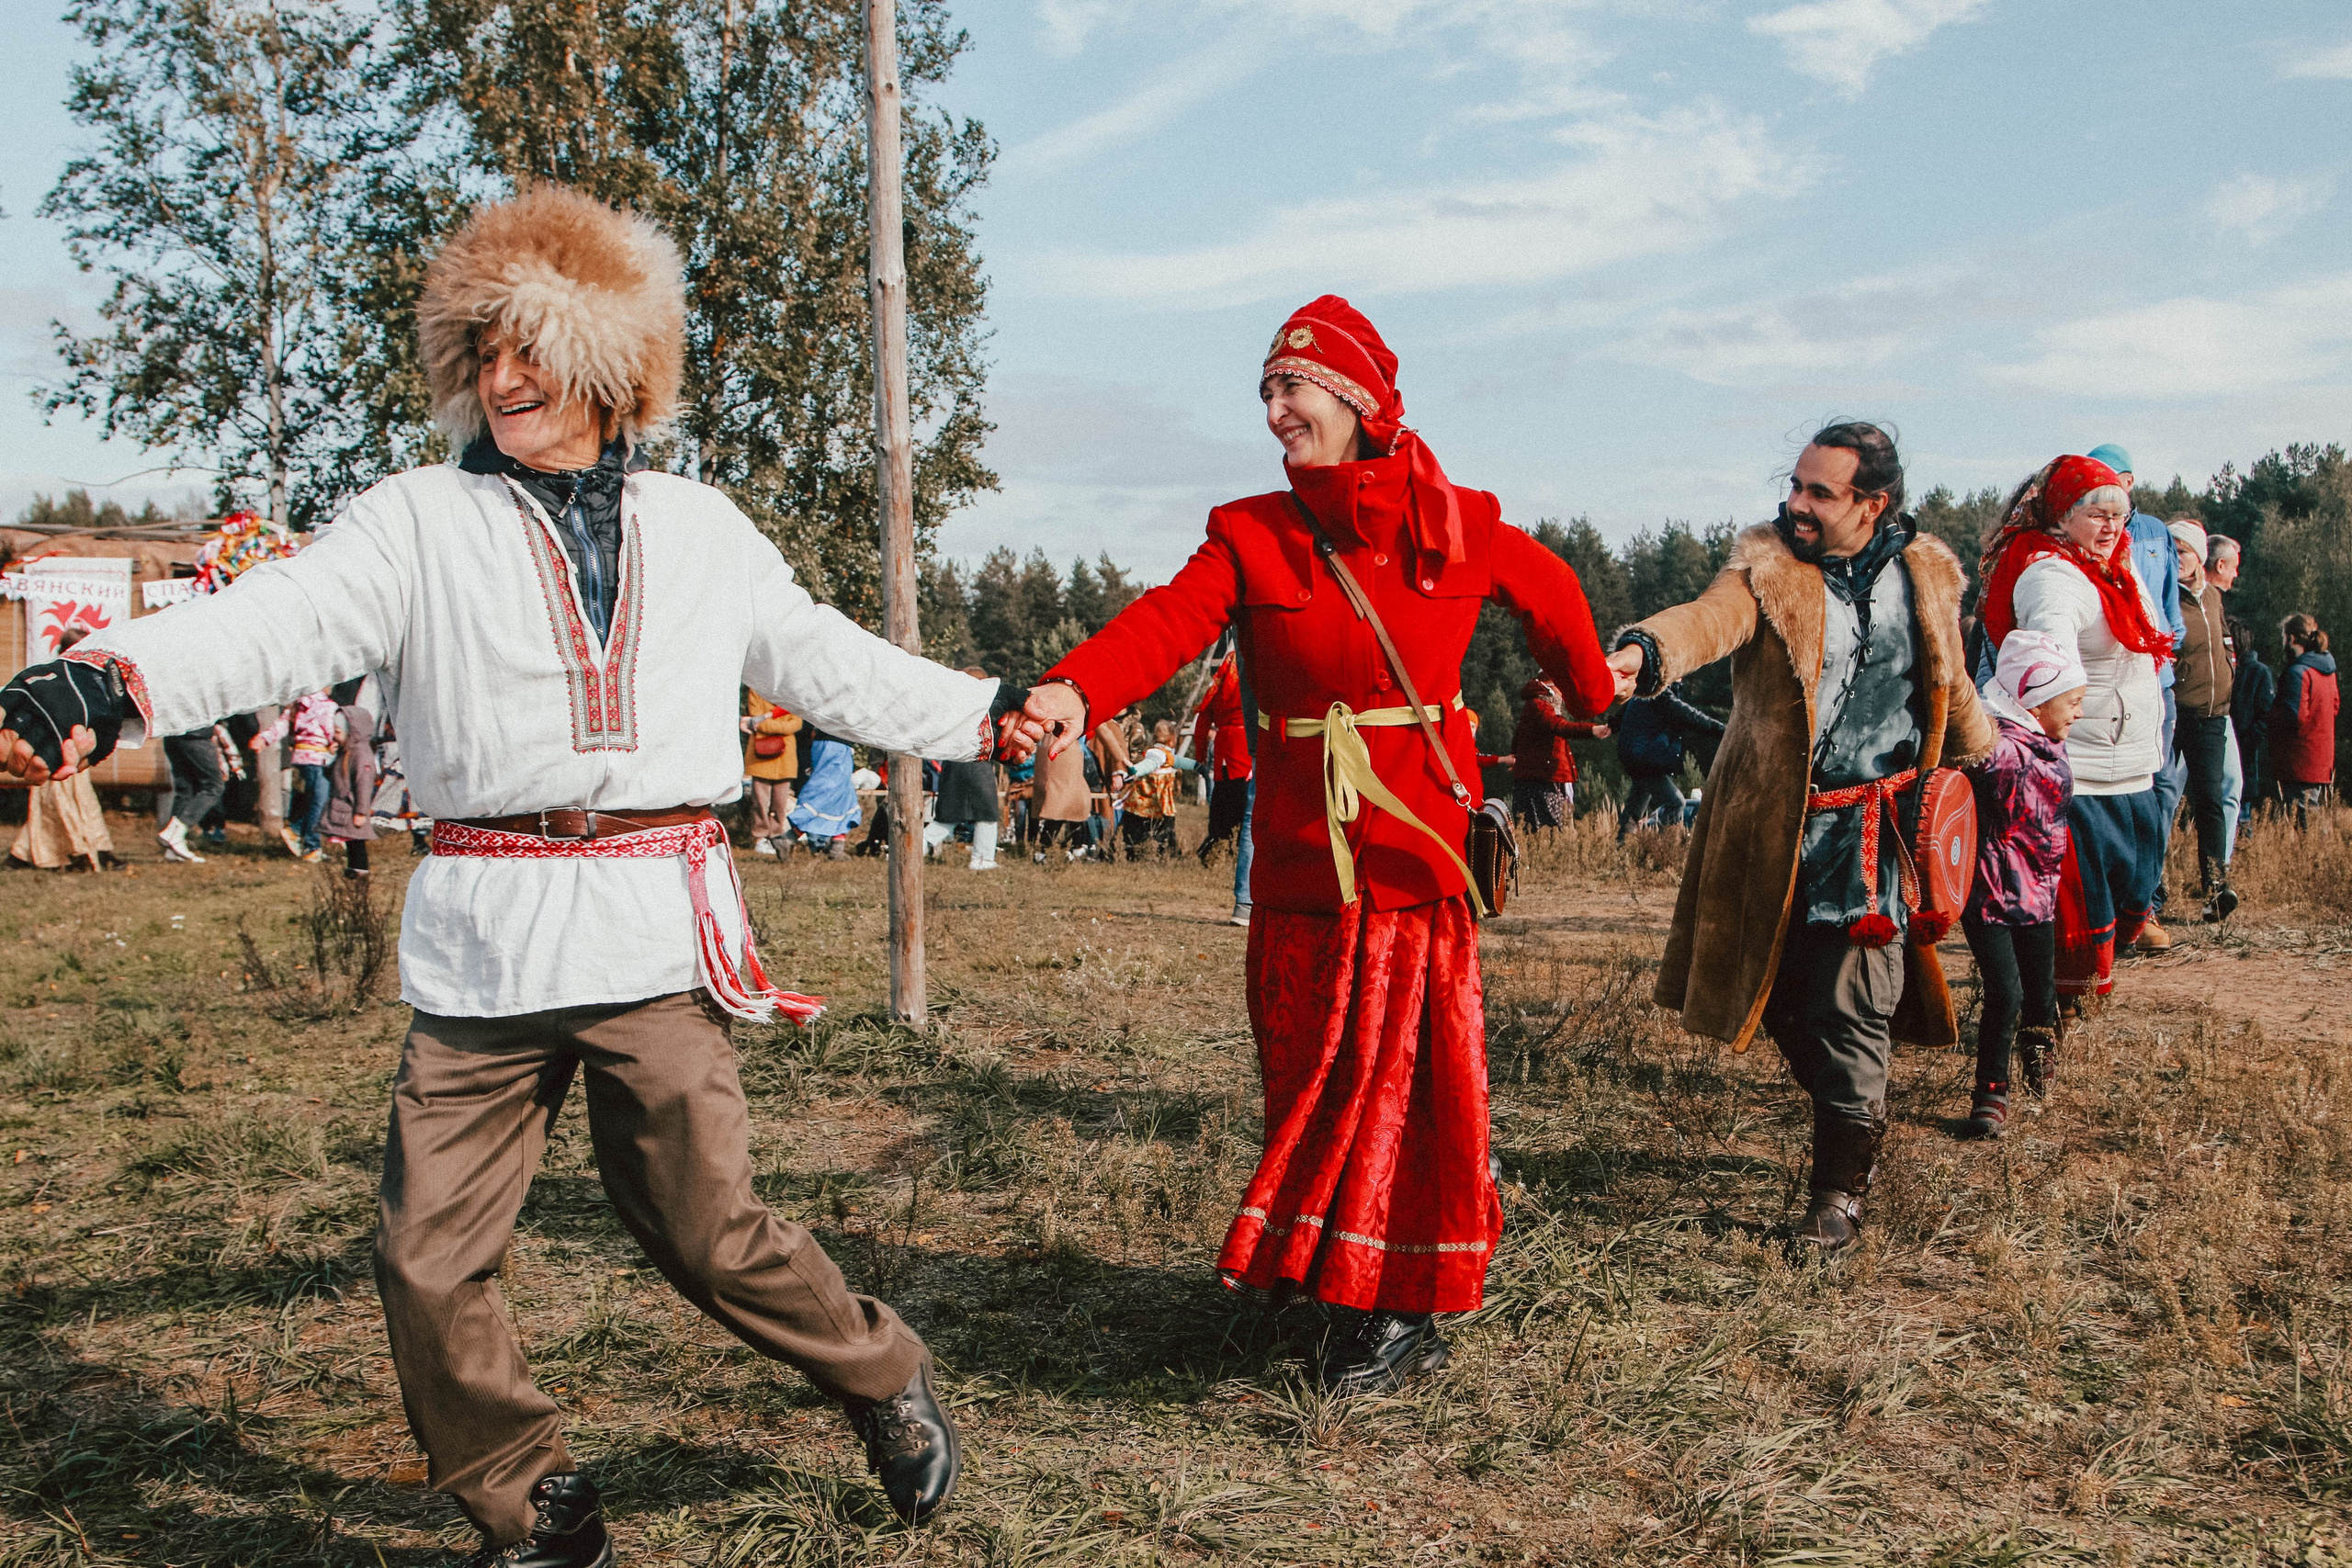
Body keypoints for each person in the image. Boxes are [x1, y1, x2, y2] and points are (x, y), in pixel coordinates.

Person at [0, 185, 1034, 1562]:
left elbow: (827, 659)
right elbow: (276, 621)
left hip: (652, 932)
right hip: (484, 942)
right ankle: (531, 1501)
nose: (501, 377)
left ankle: (875, 1371)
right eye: (481, 349)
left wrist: (988, 709)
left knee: (706, 1228)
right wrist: (108, 678)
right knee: (423, 1251)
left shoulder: (706, 528)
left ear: (614, 365)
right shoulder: (413, 520)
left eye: (531, 348)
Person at [1023, 295, 1614, 1393]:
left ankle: (1395, 1311)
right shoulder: (1250, 532)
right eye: (1266, 391)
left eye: (1291, 388)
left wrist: (1585, 694)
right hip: (1298, 857)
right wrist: (1074, 688)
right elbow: (1165, 622)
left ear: (1354, 399)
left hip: (1406, 861)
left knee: (1398, 1089)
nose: (1274, 411)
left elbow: (1559, 596)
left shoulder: (1458, 521)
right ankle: (1317, 1266)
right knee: (1306, 1079)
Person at [1605, 421, 1993, 1256]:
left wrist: (1989, 756)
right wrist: (1645, 652)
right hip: (1767, 830)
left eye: (1820, 491)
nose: (1796, 504)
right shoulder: (1766, 567)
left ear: (1872, 502)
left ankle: (1838, 1197)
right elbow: (1706, 621)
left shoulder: (1927, 576)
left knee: (1857, 1003)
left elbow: (1948, 681)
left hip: (1876, 835)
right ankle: (1851, 1115)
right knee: (1776, 997)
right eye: (1795, 484)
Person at [1980, 456, 2171, 1003]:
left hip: (2133, 764)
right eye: (2098, 514)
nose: (2113, 526)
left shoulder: (2116, 565)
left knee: (2135, 894)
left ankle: (2063, 1001)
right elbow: (2048, 649)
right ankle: (2054, 1019)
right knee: (2086, 912)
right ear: (2062, 517)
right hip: (2084, 772)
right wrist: (2061, 683)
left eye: (2121, 514)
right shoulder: (2051, 576)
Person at [1960, 631, 2083, 1139]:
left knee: (2040, 993)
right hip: (1989, 896)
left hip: (2039, 896)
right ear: (2037, 696)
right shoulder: (2007, 745)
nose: (2079, 711)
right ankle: (1991, 1092)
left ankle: (2038, 1063)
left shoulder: (2047, 744)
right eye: (2072, 701)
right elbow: (1980, 754)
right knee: (2004, 993)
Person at [2083, 444, 2187, 952]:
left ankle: (2145, 907)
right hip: (2098, 691)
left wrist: (2164, 652)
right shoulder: (2072, 540)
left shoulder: (2154, 533)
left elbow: (2168, 607)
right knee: (2101, 808)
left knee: (2156, 795)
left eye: (2119, 481)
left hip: (2152, 683)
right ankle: (2104, 917)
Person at [2165, 520, 2236, 919]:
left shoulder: (2211, 598)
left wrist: (2229, 676)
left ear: (2200, 557)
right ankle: (2148, 896)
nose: (2177, 558)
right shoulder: (2164, 595)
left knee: (2210, 799)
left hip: (2211, 715)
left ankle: (2216, 888)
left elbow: (2222, 643)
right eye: (2171, 550)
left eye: (2184, 551)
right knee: (2161, 801)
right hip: (2174, 712)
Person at [6, 626, 112, 872]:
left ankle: (100, 848)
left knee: (84, 801)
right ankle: (75, 851)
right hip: (53, 750)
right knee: (57, 804)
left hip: (76, 749)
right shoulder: (53, 675)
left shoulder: (85, 676)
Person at [1611, 682, 1723, 837]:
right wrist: (1722, 730)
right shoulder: (1660, 693)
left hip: (1639, 758)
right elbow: (1690, 715)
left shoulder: (1650, 689)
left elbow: (1626, 708)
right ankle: (1660, 846)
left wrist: (1612, 725)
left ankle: (1621, 850)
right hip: (1643, 759)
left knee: (1634, 812)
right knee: (1676, 803)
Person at [1507, 676, 1610, 828]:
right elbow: (1558, 726)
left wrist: (1518, 758)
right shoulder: (1539, 706)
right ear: (1550, 687)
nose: (1563, 694)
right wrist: (1592, 729)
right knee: (1551, 830)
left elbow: (1518, 739)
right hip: (1543, 782)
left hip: (1540, 780)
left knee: (1541, 830)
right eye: (1561, 688)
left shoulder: (1536, 706)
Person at [2269, 613, 2339, 827]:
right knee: (2311, 812)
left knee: (2305, 819)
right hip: (2321, 755)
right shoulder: (2327, 671)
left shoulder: (2298, 672)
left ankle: (2320, 859)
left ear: (2291, 639)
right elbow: (2335, 707)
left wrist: (2269, 715)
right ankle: (2321, 856)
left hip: (2299, 759)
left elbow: (2294, 716)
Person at [928, 671, 1003, 870]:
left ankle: (917, 846)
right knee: (987, 814)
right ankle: (983, 859)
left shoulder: (952, 706)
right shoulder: (984, 707)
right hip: (977, 764)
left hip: (953, 763)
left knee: (947, 817)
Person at [1192, 649, 1255, 878]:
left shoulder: (1219, 684)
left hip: (1224, 749)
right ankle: (1236, 853)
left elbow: (1203, 720)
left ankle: (1215, 849)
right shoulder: (1255, 672)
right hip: (1249, 744)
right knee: (1245, 805)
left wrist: (1201, 755)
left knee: (1222, 801)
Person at [322, 688, 380, 880]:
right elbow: (329, 774)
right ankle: (354, 867)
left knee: (356, 841)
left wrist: (361, 811)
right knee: (350, 840)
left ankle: (360, 869)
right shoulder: (344, 752)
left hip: (353, 805)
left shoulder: (361, 755)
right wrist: (330, 754)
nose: (335, 735)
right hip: (343, 805)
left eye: (338, 732)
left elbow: (364, 784)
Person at [155, 718, 232, 863]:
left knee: (186, 789)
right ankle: (175, 833)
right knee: (214, 786)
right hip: (197, 734)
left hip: (173, 735)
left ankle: (173, 850)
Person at [785, 723, 859, 860]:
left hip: (838, 742)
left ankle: (837, 845)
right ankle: (790, 837)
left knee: (845, 795)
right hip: (833, 743)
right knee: (826, 794)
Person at [741, 692, 802, 856]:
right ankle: (760, 837)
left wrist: (766, 725)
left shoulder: (790, 693)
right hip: (762, 753)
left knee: (780, 802)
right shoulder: (756, 690)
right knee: (760, 802)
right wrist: (782, 728)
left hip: (785, 755)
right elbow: (756, 718)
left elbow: (796, 723)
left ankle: (776, 836)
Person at [1117, 718, 1187, 859]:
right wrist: (1135, 770)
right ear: (1172, 740)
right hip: (1155, 800)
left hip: (1147, 800)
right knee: (1162, 827)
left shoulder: (1161, 753)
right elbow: (1149, 764)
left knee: (1139, 826)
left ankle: (1139, 850)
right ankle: (1164, 852)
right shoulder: (1159, 754)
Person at [2228, 614, 2274, 825]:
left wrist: (2247, 742)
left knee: (2242, 817)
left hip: (2245, 754)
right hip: (2222, 749)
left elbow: (2266, 716)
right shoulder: (2223, 670)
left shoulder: (2259, 673)